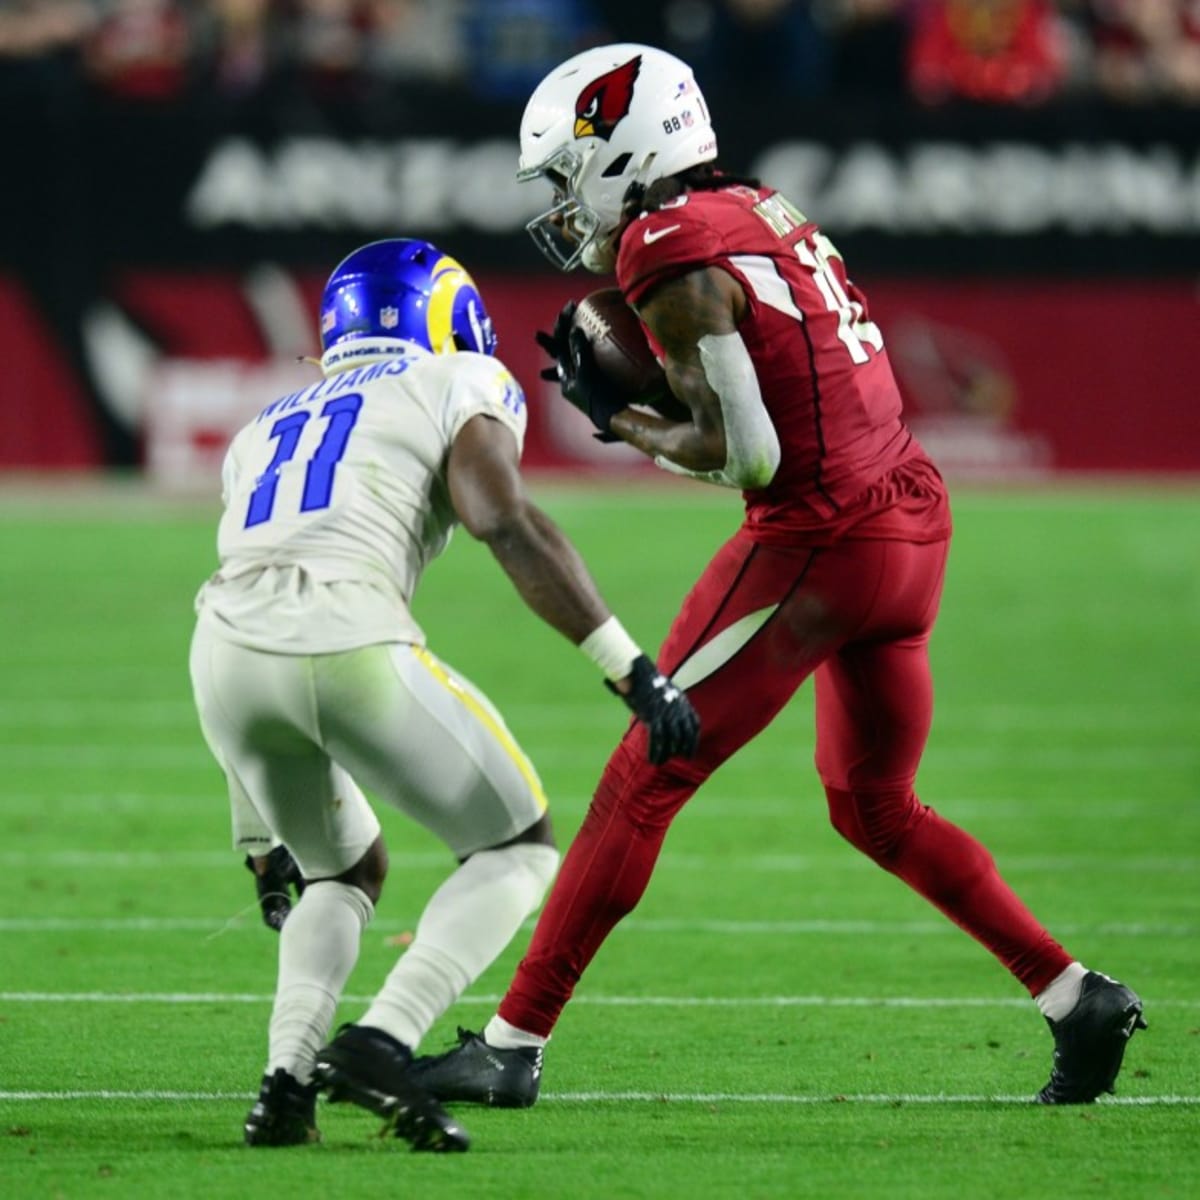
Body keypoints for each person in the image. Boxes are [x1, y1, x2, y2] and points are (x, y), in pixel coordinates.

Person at [409, 43, 1146, 1109]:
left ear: (624, 149)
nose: (566, 202)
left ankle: (512, 1045)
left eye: (571, 171)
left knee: (642, 773)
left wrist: (621, 419)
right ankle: (1076, 997)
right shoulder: (756, 205)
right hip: (911, 520)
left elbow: (748, 458)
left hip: (822, 538)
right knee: (874, 807)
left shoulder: (664, 243)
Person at [188, 236, 699, 1150]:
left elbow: (254, 598)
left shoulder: (264, 424)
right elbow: (501, 517)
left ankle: (285, 1088)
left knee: (342, 872)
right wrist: (629, 664)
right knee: (519, 847)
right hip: (345, 638)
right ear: (444, 313)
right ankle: (382, 1042)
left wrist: (259, 835)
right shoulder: (460, 379)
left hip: (222, 658)